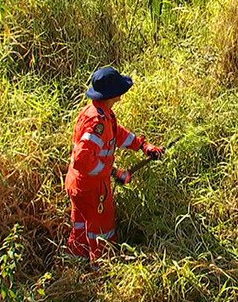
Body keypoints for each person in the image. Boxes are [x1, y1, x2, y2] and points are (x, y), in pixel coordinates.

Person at [65, 66, 164, 265]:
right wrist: (113, 172)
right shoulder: (96, 123)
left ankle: (75, 265)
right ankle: (103, 271)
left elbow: (116, 134)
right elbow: (82, 159)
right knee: (102, 232)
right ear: (112, 94)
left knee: (81, 227)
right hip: (92, 189)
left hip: (78, 184)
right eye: (119, 93)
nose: (121, 97)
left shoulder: (100, 113)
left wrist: (143, 146)